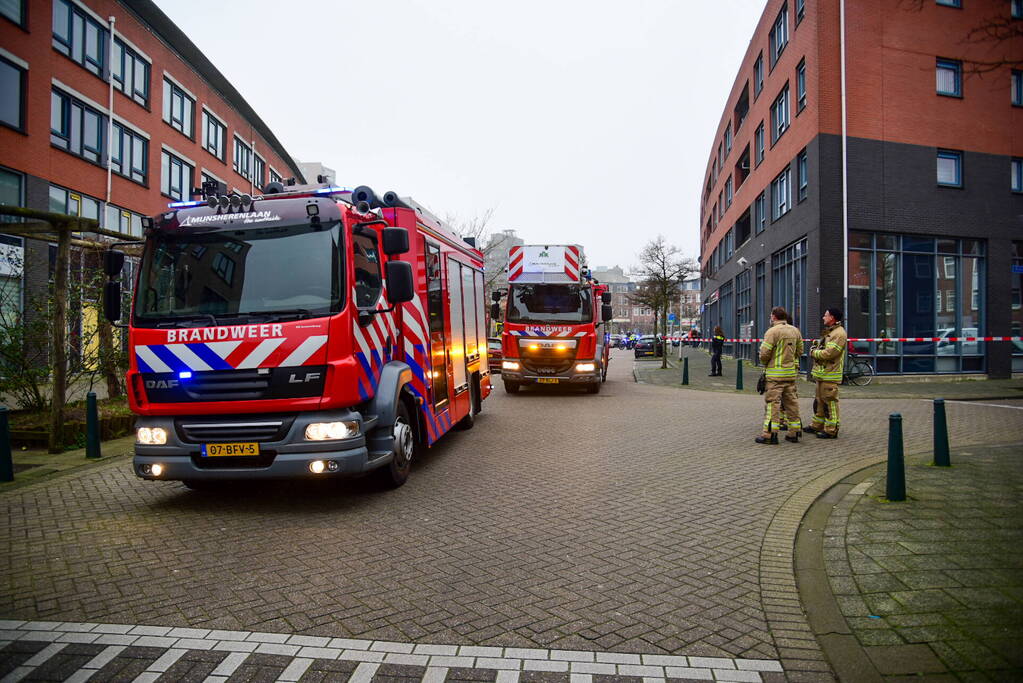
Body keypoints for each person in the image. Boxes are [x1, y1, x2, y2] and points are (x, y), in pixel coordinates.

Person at [756, 306, 803, 444]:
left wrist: (766, 362)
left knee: (773, 404)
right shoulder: (795, 331)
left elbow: (764, 354)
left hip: (775, 376)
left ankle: (770, 435)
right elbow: (799, 351)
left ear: (774, 317)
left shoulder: (772, 332)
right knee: (792, 403)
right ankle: (793, 433)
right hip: (790, 374)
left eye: (771, 316)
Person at [806, 307, 847, 439]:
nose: (823, 317)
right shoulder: (830, 332)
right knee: (819, 401)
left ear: (832, 318)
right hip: (822, 374)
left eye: (826, 315)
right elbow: (822, 347)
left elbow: (829, 353)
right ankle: (817, 425)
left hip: (830, 374)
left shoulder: (839, 334)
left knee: (830, 402)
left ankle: (831, 429)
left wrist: (813, 352)